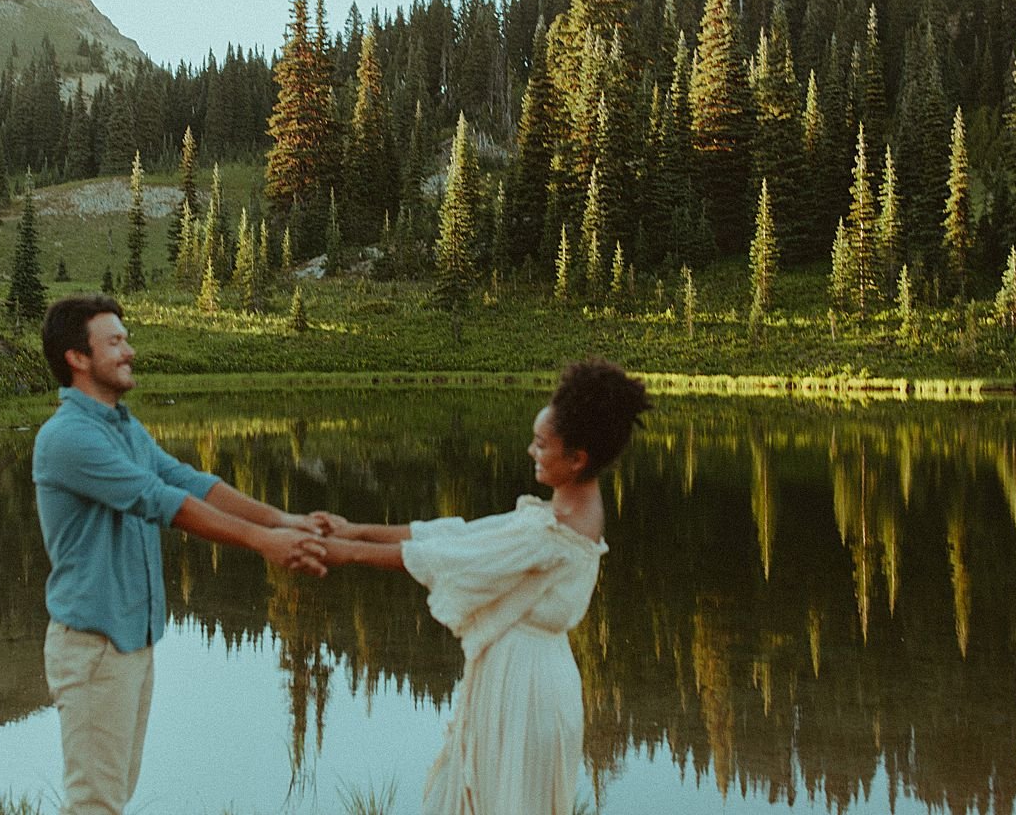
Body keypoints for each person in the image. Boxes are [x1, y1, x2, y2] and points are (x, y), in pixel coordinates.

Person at [33, 293, 327, 815]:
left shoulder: (121, 425)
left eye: (126, 339)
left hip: (127, 639)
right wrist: (264, 543)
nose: (130, 350)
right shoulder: (68, 437)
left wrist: (282, 520)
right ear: (78, 359)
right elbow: (160, 501)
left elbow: (187, 480)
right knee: (94, 803)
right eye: (115, 342)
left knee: (112, 796)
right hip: (94, 643)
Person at [317, 358, 650, 815]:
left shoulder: (553, 534)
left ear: (577, 459)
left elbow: (450, 559)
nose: (531, 451)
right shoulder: (558, 516)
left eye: (540, 445)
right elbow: (460, 534)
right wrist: (355, 531)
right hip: (522, 678)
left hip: (527, 694)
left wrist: (349, 552)